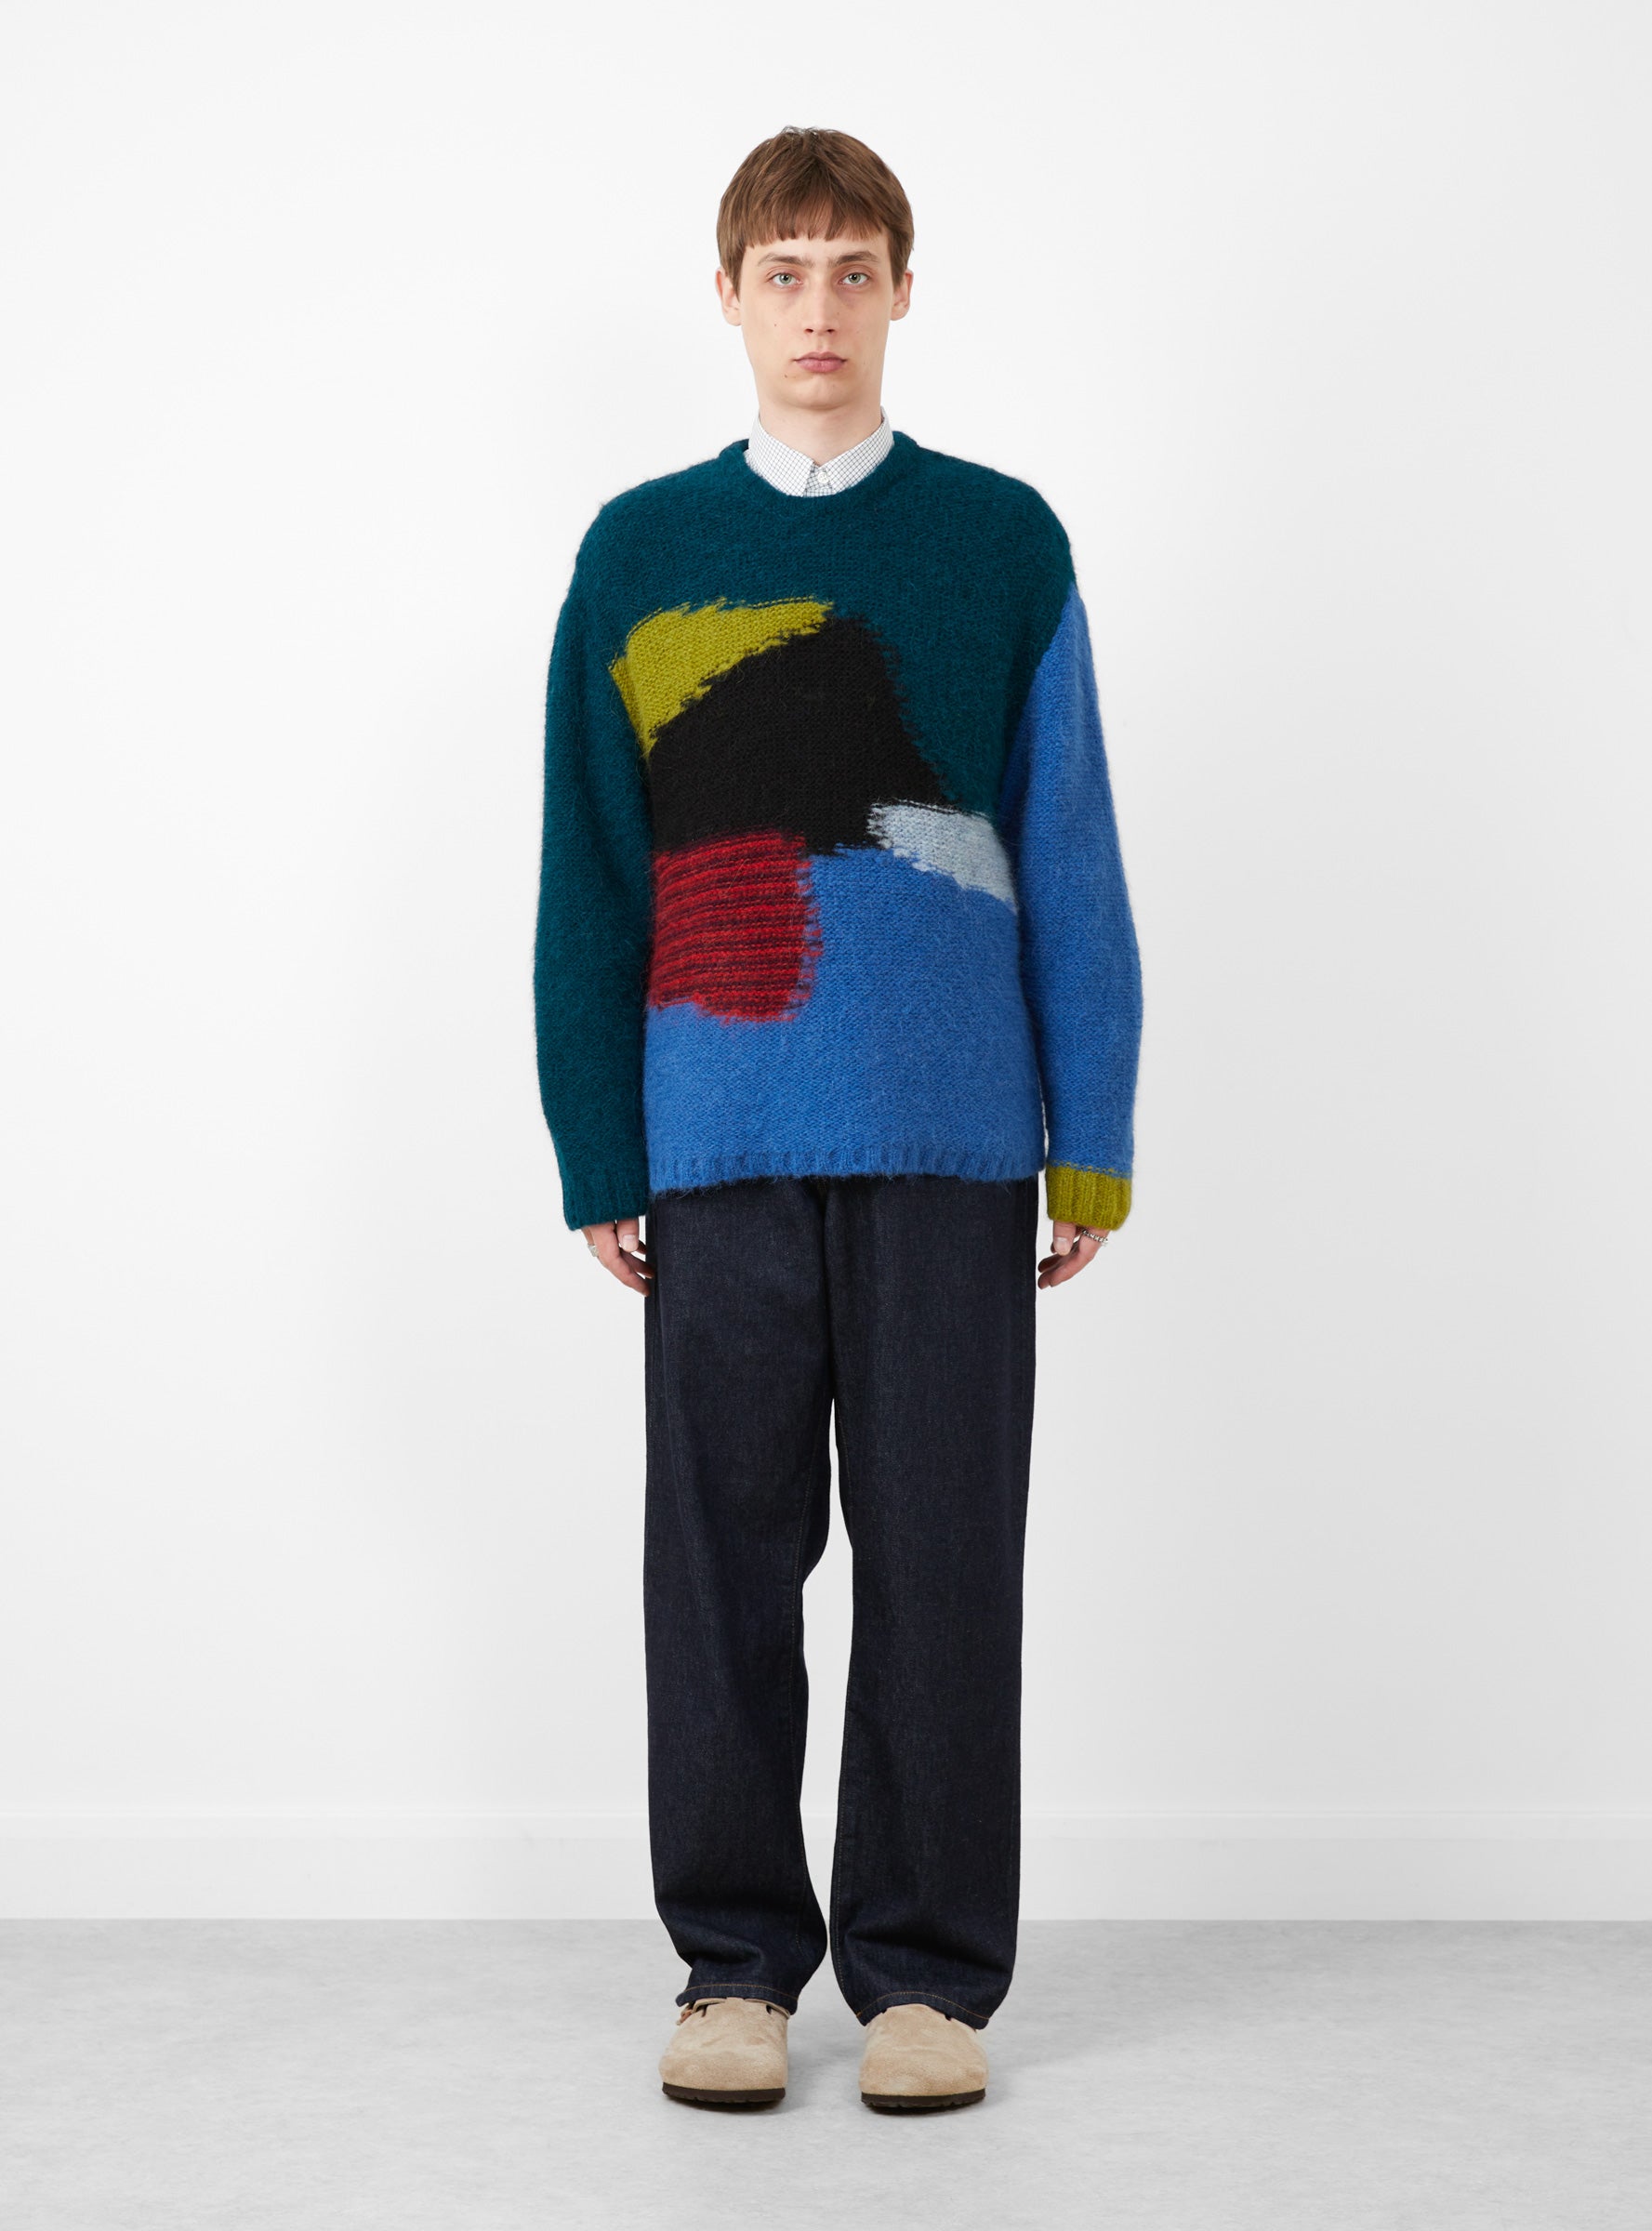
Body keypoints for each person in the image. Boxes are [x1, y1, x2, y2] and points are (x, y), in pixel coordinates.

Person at [533, 125, 1143, 2115]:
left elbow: (1069, 847)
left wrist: (1089, 1131)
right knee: (718, 1565)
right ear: (726, 297)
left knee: (944, 1559)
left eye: (851, 268)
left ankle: (926, 1983)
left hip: (953, 1146)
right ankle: (730, 1968)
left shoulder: (1000, 542)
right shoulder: (638, 550)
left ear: (900, 292)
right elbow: (589, 871)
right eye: (782, 270)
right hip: (712, 1143)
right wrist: (598, 1143)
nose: (818, 307)